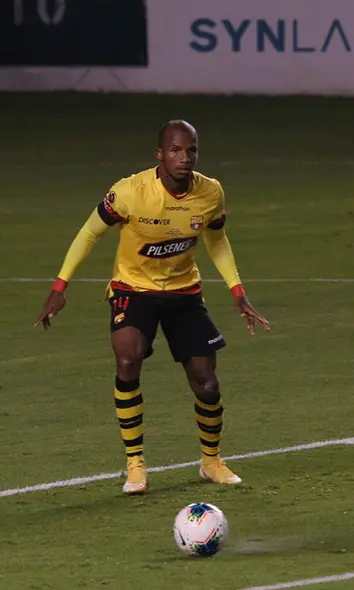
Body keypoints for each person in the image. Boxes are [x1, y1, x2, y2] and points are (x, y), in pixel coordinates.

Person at [35, 120, 270, 495]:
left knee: (207, 383)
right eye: (175, 150)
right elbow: (89, 232)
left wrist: (238, 292)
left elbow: (217, 239)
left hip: (183, 293)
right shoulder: (130, 192)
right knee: (128, 357)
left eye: (191, 150)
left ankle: (210, 461)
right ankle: (135, 464)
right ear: (160, 154)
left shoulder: (211, 193)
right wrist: (59, 287)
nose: (184, 158)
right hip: (134, 289)